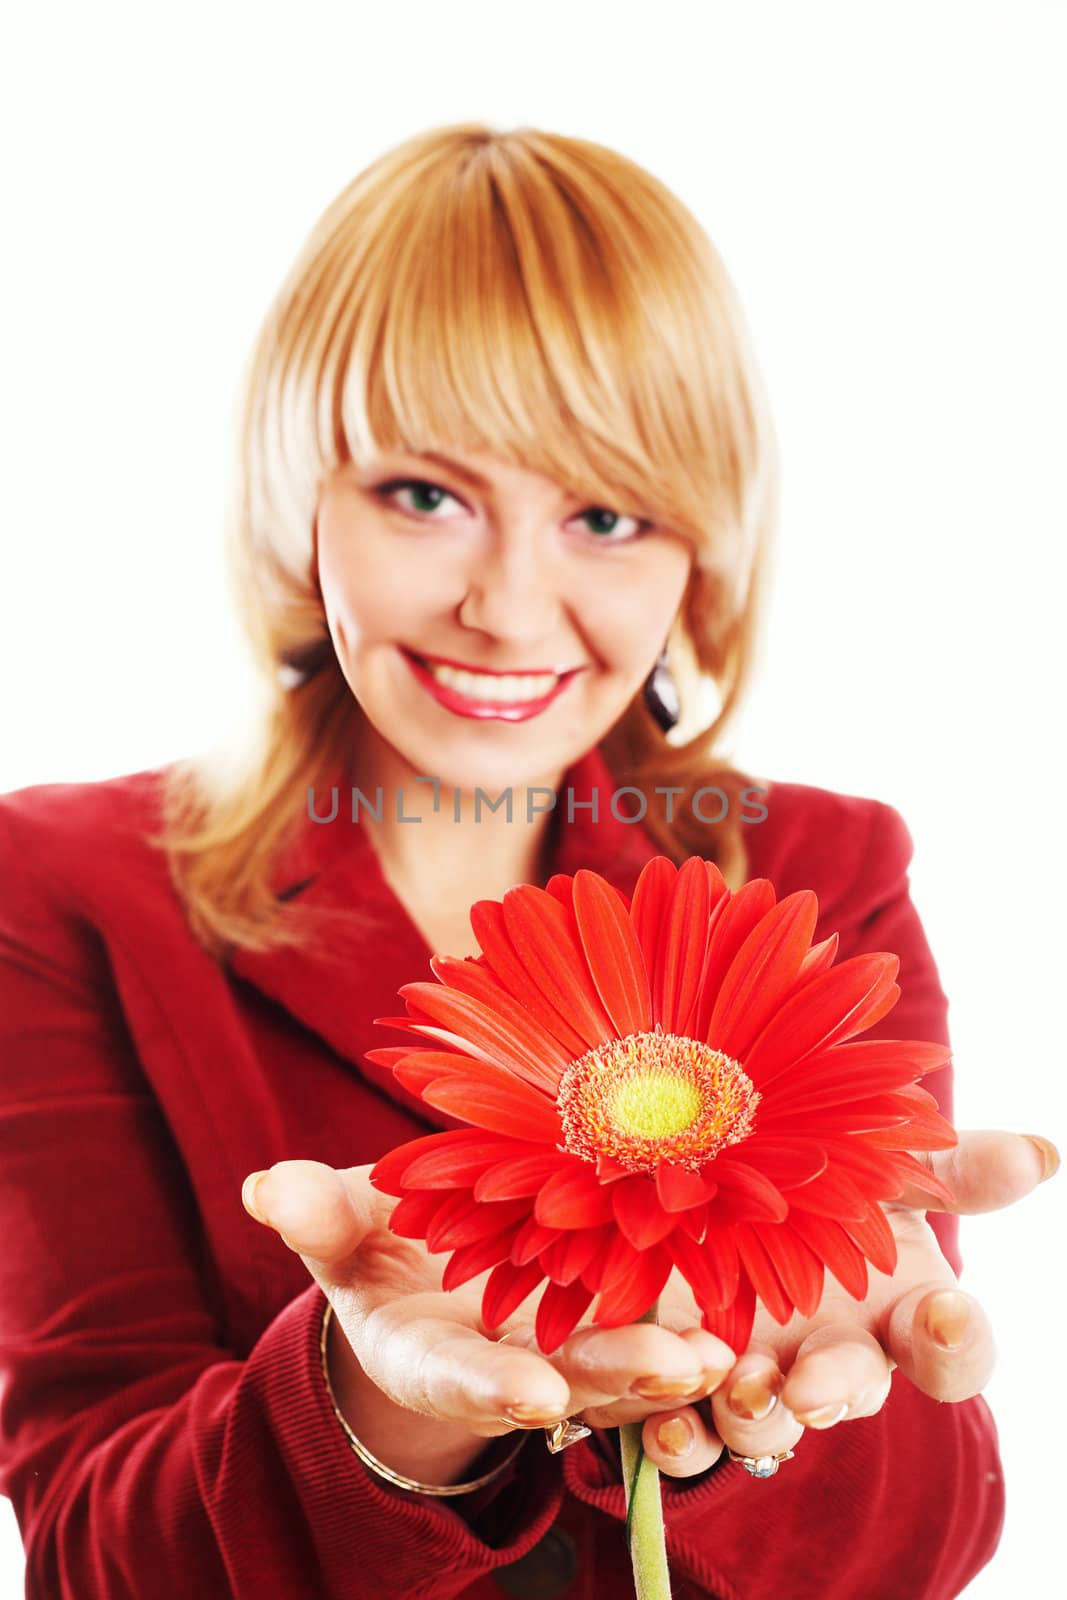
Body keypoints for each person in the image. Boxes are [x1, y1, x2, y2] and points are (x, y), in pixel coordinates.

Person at [0, 121, 1058, 1600]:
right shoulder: (67, 890)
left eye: (605, 515)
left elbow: (921, 1539)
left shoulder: (818, 871)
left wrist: (761, 1401)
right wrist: (375, 1412)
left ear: (700, 551)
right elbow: (91, 1550)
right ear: (301, 504)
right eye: (425, 497)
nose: (508, 607)